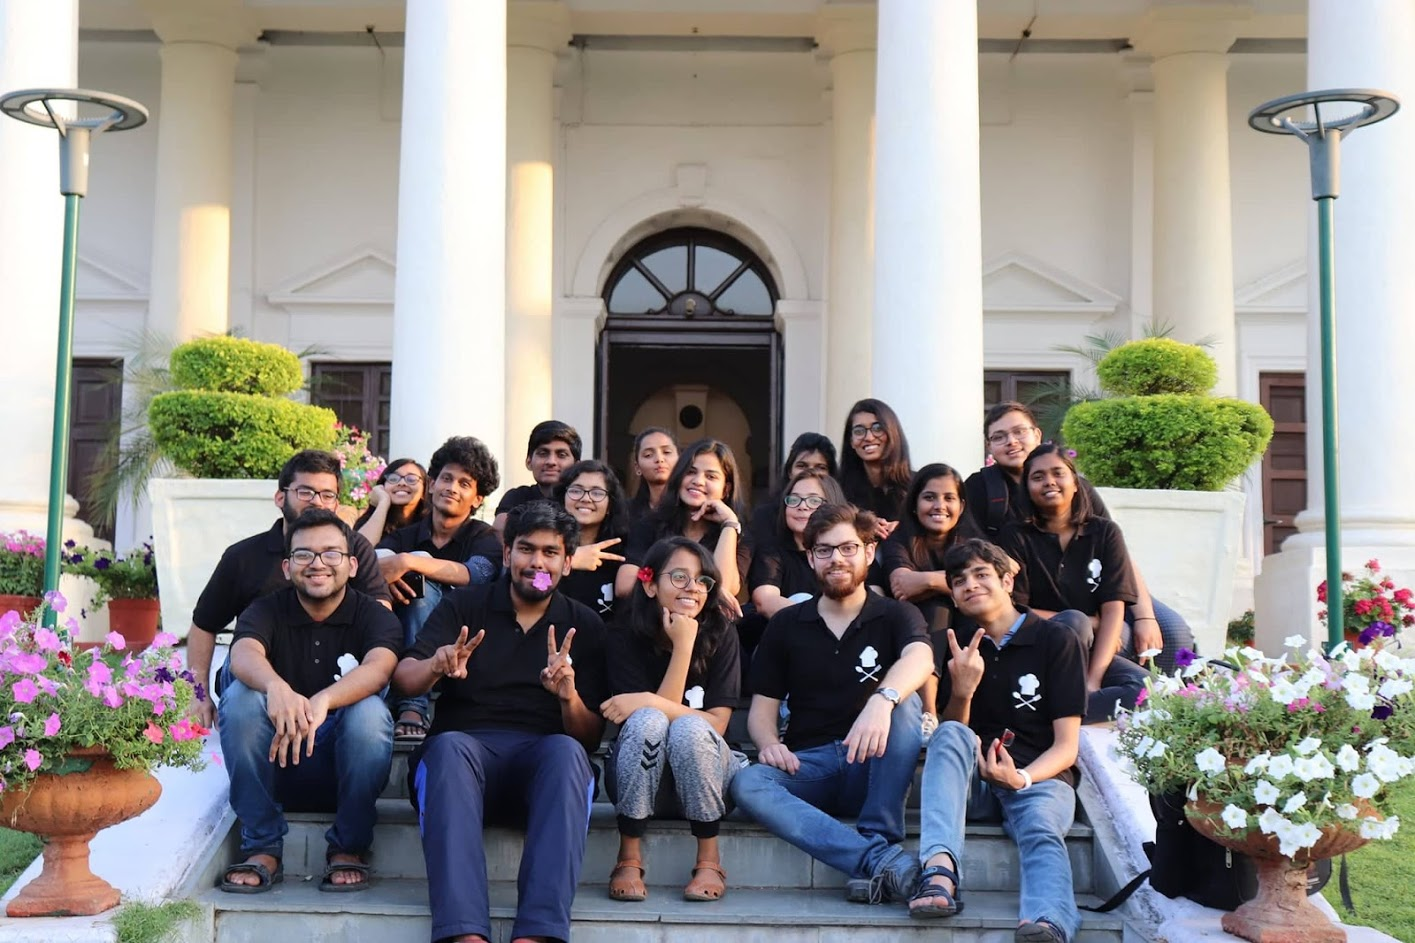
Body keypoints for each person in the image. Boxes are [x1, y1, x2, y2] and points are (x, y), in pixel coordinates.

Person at [392, 501, 608, 943]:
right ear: (507, 554)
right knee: (448, 747)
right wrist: (436, 664)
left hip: (544, 765)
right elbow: (404, 678)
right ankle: (464, 932)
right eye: (526, 549)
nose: (537, 563)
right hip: (464, 761)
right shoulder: (464, 606)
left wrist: (568, 697)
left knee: (568, 754)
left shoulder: (583, 624)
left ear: (568, 563)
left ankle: (538, 933)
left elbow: (589, 737)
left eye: (551, 552)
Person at [730, 504, 933, 904]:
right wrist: (769, 743)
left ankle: (878, 836)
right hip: (811, 766)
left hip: (875, 767)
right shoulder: (787, 623)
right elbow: (762, 712)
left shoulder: (896, 614)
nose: (836, 559)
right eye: (824, 550)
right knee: (748, 782)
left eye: (847, 548)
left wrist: (881, 701)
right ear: (810, 558)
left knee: (905, 702)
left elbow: (921, 658)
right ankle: (879, 859)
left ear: (869, 552)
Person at [909, 537, 1084, 943]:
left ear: (1007, 581)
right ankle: (939, 874)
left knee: (1041, 827)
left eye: (981, 574)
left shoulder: (1056, 640)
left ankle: (1048, 921)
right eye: (959, 580)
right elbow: (955, 733)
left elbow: (1067, 746)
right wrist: (963, 690)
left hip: (1039, 779)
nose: (970, 585)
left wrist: (1022, 778)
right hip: (977, 783)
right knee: (949, 731)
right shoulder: (957, 645)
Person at [218, 509, 402, 894]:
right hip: (277, 759)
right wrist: (276, 687)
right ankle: (262, 846)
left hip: (342, 764)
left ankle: (349, 846)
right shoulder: (266, 609)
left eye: (331, 553)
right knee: (240, 698)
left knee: (369, 712)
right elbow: (243, 653)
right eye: (304, 554)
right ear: (287, 567)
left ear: (353, 565)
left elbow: (380, 668)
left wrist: (325, 700)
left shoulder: (373, 615)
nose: (318, 564)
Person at [965, 401, 1191, 671]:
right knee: (1115, 635)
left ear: (1037, 435)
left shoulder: (1077, 488)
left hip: (1095, 588)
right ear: (989, 446)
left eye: (1019, 432)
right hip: (1040, 596)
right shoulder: (980, 489)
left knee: (1172, 632)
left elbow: (1116, 556)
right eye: (999, 437)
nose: (1011, 442)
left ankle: (1174, 695)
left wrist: (1144, 617)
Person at [187, 450, 393, 727]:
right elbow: (204, 623)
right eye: (305, 492)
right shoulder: (243, 556)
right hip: (257, 676)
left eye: (327, 494)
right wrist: (197, 693)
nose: (316, 501)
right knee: (240, 692)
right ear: (280, 497)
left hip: (332, 674)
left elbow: (379, 619)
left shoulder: (355, 550)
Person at [600, 537, 742, 904]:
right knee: (650, 720)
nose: (692, 587)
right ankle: (628, 857)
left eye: (702, 580)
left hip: (707, 778)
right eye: (679, 577)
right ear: (649, 585)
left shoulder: (722, 632)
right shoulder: (622, 634)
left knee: (689, 728)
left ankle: (709, 859)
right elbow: (645, 723)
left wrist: (652, 693)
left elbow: (718, 724)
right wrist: (681, 648)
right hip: (640, 780)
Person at [995, 444, 1148, 723]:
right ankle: (1061, 714)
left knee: (1149, 689)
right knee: (1073, 622)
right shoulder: (1015, 536)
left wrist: (1093, 681)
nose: (1049, 481)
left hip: (1088, 652)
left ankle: (1051, 715)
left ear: (1076, 484)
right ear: (1027, 488)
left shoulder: (1105, 532)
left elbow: (1113, 609)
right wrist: (1086, 621)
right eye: (1038, 477)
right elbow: (1013, 609)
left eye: (1058, 473)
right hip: (1040, 649)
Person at [378, 436, 503, 743]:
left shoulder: (483, 537)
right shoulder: (405, 535)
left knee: (422, 591)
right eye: (446, 479)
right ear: (432, 485)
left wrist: (409, 562)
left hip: (464, 632)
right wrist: (389, 578)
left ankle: (413, 706)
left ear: (477, 499)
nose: (452, 488)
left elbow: (475, 574)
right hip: (406, 631)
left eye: (464, 484)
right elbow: (369, 565)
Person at [878, 463, 980, 728]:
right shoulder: (899, 538)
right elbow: (901, 584)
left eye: (949, 498)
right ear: (914, 503)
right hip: (910, 631)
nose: (939, 506)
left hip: (963, 630)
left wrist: (927, 580)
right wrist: (957, 584)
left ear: (961, 506)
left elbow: (989, 586)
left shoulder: (972, 542)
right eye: (929, 497)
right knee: (937, 607)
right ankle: (928, 713)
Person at [616, 438, 750, 606]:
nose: (698, 481)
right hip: (655, 618)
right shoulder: (651, 524)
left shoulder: (737, 534)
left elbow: (723, 590)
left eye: (711, 476)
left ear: (726, 489)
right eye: (690, 472)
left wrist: (729, 524)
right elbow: (624, 585)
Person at [555, 459, 629, 621]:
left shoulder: (623, 552)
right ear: (563, 498)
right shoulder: (545, 545)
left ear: (610, 506)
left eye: (597, 493)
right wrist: (568, 561)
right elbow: (534, 586)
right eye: (576, 490)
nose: (586, 499)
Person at [837, 398, 913, 540]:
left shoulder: (918, 486)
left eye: (877, 428)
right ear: (851, 441)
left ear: (892, 432)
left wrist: (904, 528)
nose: (869, 437)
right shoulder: (838, 488)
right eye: (859, 431)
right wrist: (861, 525)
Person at [493, 420, 583, 534]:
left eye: (561, 455)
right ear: (529, 461)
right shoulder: (516, 498)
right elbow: (500, 531)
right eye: (543, 453)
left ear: (577, 466)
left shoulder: (583, 500)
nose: (551, 462)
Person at [748, 432, 839, 541]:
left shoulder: (842, 519)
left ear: (830, 475)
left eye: (820, 467)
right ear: (789, 472)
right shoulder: (764, 517)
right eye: (802, 466)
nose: (810, 472)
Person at [354, 458, 429, 545]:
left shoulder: (430, 524)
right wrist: (383, 503)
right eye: (393, 478)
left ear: (424, 490)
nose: (402, 483)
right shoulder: (367, 521)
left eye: (411, 479)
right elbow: (360, 550)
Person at [626, 426, 679, 518]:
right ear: (637, 467)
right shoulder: (625, 512)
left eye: (666, 452)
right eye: (648, 455)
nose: (659, 459)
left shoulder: (693, 509)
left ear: (680, 459)